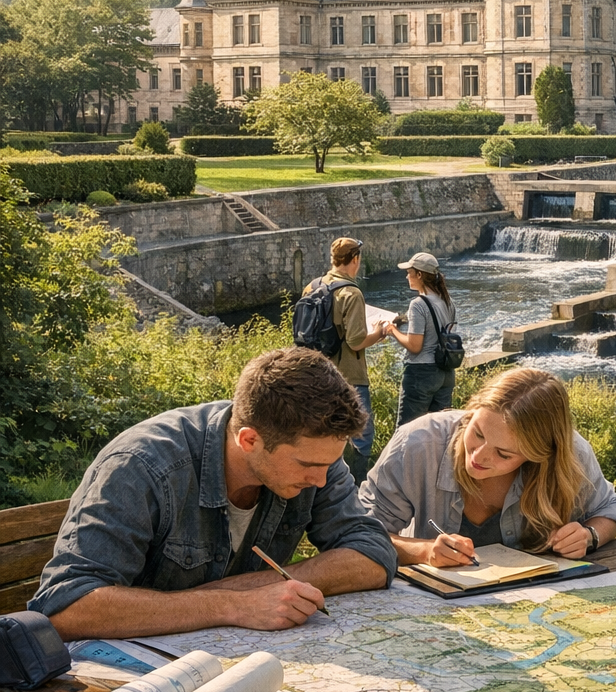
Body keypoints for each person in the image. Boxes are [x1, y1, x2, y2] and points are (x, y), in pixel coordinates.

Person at [30, 348, 397, 640]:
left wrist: (255, 587)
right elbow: (66, 605)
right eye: (307, 465)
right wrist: (231, 605)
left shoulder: (314, 454)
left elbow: (373, 552)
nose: (320, 480)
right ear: (249, 440)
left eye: (329, 465)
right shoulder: (140, 466)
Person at [360, 368, 616, 566]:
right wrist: (424, 551)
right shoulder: (417, 444)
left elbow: (609, 510)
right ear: (472, 411)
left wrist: (589, 536)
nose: (479, 456)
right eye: (477, 433)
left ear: (537, 456)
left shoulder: (570, 453)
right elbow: (362, 533)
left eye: (503, 453)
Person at [308, 237, 389, 482]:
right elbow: (355, 341)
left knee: (325, 431)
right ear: (355, 259)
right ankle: (356, 486)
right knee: (362, 434)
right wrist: (380, 333)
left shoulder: (312, 286)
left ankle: (326, 483)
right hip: (349, 375)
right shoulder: (351, 293)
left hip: (318, 372)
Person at [382, 252, 458, 427]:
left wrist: (393, 330)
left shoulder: (418, 304)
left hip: (421, 374)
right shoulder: (448, 302)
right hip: (446, 373)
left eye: (409, 272)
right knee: (439, 432)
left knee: (407, 432)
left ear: (420, 275)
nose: (406, 276)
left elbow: (415, 346)